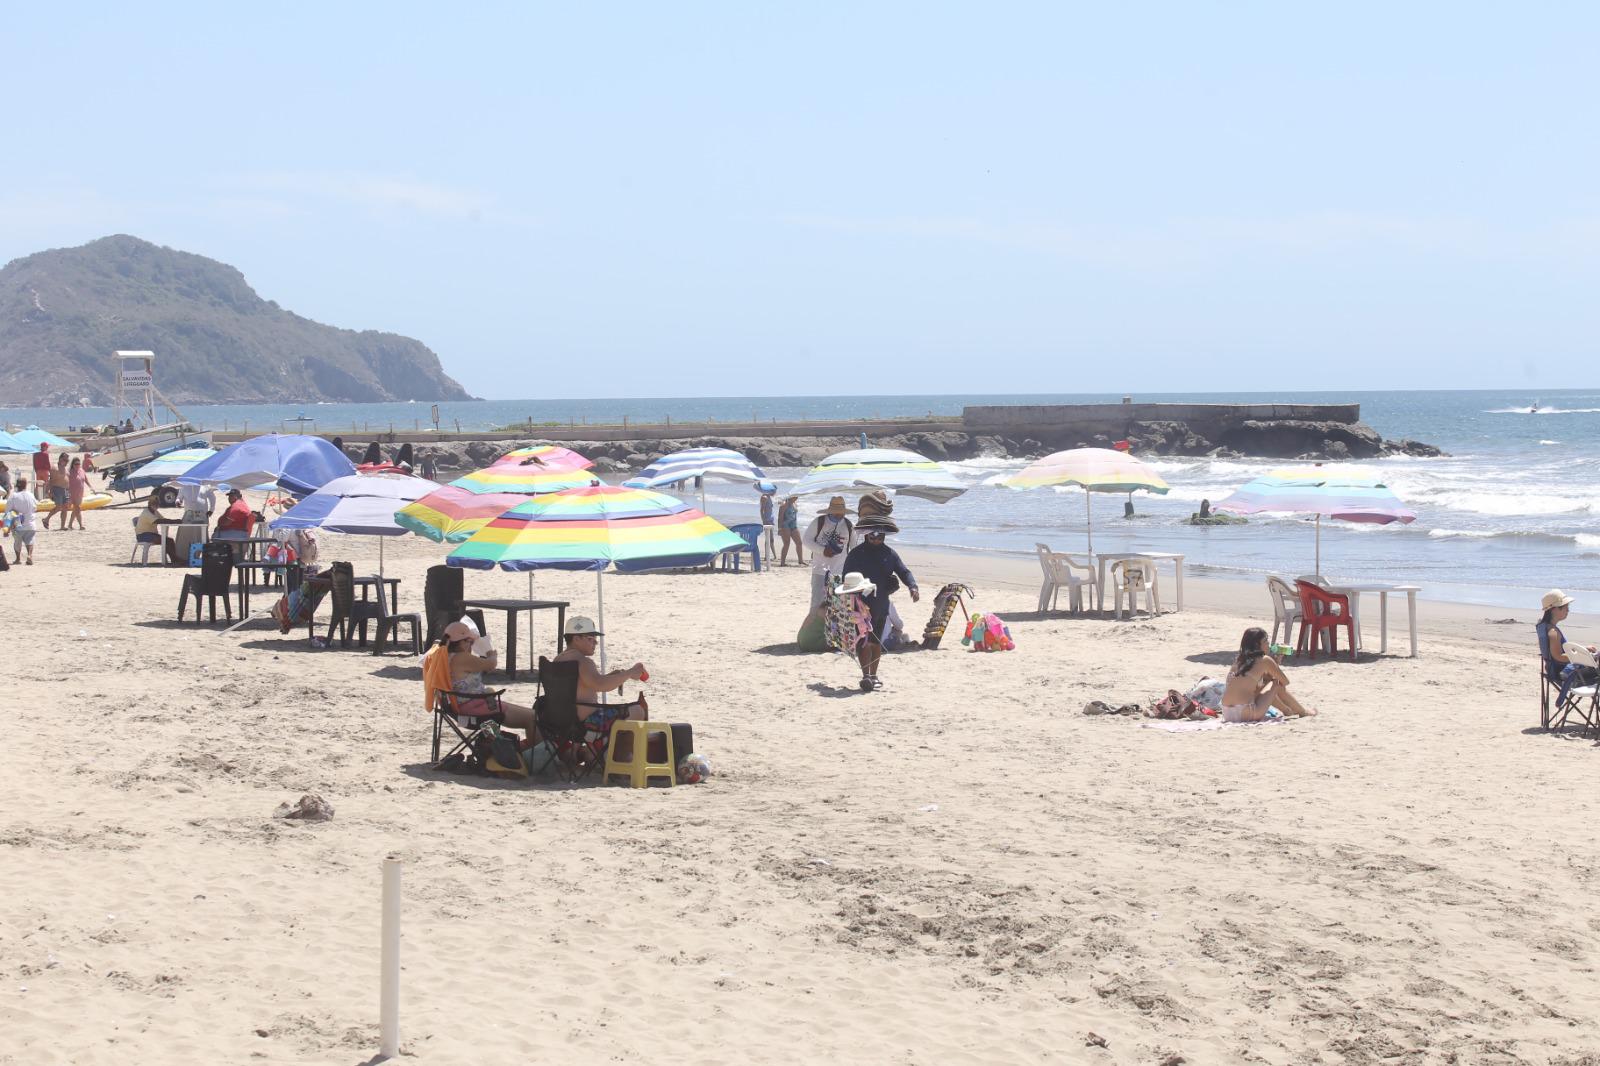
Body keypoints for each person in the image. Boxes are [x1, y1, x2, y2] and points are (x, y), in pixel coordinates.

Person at [840, 514, 919, 687]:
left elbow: (904, 571)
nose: (876, 539)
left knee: (876, 641)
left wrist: (913, 586)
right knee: (862, 640)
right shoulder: (856, 554)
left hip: (881, 604)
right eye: (873, 535)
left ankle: (873, 676)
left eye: (880, 536)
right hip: (859, 605)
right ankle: (865, 675)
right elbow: (845, 578)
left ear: (884, 536)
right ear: (867, 534)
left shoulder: (889, 554)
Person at [436, 620, 540, 735]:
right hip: (476, 710)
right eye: (470, 642)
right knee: (532, 717)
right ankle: (534, 751)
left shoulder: (441, 656)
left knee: (494, 729)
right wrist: (491, 653)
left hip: (458, 709)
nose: (471, 645)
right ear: (462, 642)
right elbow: (490, 665)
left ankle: (496, 743)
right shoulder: (462, 658)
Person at [551, 616, 647, 730]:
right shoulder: (583, 662)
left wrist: (616, 676)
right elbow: (600, 684)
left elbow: (585, 685)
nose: (595, 642)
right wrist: (630, 673)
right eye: (590, 638)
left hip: (560, 720)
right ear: (576, 639)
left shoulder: (558, 660)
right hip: (586, 723)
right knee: (638, 710)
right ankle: (617, 747)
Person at [1220, 627, 1317, 722]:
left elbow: (1260, 684)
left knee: (1267, 685)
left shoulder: (1239, 660)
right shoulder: (1265, 660)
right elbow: (1284, 682)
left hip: (1227, 713)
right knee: (1277, 684)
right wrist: (1276, 664)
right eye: (1265, 641)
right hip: (1246, 712)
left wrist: (1274, 666)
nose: (1268, 644)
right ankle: (1303, 712)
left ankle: (1287, 711)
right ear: (1257, 645)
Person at [1538, 590, 1596, 685]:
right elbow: (1558, 656)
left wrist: (1583, 649)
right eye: (1566, 607)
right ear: (1554, 609)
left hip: (1556, 671)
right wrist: (1584, 656)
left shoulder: (1544, 627)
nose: (1568, 610)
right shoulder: (1553, 632)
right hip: (1567, 675)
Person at [805, 496, 854, 603]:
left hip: (839, 572)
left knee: (836, 606)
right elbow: (806, 540)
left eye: (842, 512)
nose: (840, 514)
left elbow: (854, 549)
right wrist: (823, 550)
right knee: (817, 606)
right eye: (837, 512)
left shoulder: (849, 525)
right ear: (830, 511)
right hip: (819, 571)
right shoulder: (819, 522)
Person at [4, 477, 38, 565]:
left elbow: (8, 513)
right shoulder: (31, 495)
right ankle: (30, 555)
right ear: (26, 485)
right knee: (30, 540)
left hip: (17, 524)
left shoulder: (13, 496)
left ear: (16, 486)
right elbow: (35, 507)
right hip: (31, 524)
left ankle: (18, 559)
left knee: (17, 542)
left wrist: (6, 529)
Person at [42, 453, 69, 530]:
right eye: (65, 460)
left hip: (65, 489)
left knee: (65, 508)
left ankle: (62, 526)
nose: (66, 462)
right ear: (60, 459)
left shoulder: (65, 468)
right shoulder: (55, 468)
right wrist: (48, 491)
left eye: (67, 460)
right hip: (57, 489)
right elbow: (51, 481)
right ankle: (46, 519)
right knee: (58, 507)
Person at [777, 494, 804, 566]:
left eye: (797, 497)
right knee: (786, 544)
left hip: (794, 525)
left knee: (799, 543)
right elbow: (780, 517)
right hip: (785, 526)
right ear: (791, 496)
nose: (797, 498)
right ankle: (782, 562)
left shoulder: (794, 504)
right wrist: (779, 529)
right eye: (795, 497)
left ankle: (800, 561)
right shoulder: (784, 505)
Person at [65, 457, 88, 530]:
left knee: (75, 509)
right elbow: (65, 483)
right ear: (73, 464)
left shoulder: (82, 471)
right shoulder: (69, 472)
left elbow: (86, 480)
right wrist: (66, 494)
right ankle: (81, 525)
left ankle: (70, 524)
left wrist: (91, 487)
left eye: (78, 464)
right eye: (76, 464)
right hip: (71, 493)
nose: (77, 465)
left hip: (79, 493)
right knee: (77, 508)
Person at [758, 484, 777, 562]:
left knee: (771, 539)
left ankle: (774, 556)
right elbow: (761, 510)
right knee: (768, 539)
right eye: (774, 491)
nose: (775, 493)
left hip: (770, 520)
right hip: (767, 520)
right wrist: (764, 520)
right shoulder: (764, 497)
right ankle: (767, 556)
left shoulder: (769, 497)